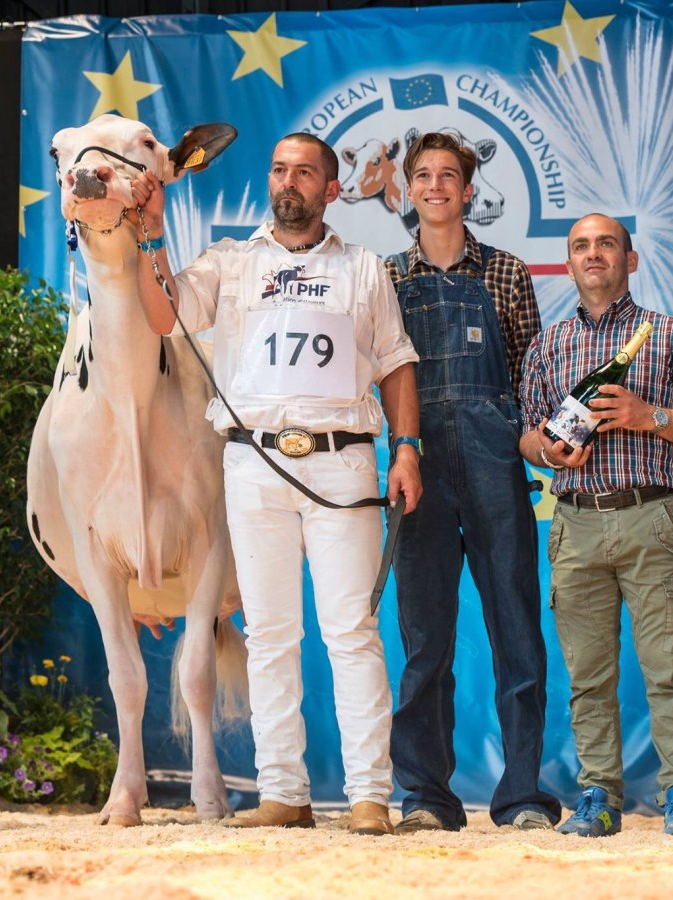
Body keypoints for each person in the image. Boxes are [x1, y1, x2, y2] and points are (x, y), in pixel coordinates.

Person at [131, 133, 422, 835]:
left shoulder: (363, 269)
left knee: (350, 631)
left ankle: (368, 798)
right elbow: (166, 315)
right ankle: (283, 793)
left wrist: (407, 450)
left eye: (305, 173)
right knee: (269, 633)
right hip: (253, 461)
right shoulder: (229, 261)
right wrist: (150, 241)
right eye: (279, 169)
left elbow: (395, 362)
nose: (288, 182)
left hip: (343, 459)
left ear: (330, 189)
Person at [382, 131, 560, 833]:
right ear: (409, 187)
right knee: (425, 638)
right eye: (422, 175)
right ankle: (426, 795)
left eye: (447, 175)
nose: (435, 186)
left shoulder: (508, 273)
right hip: (415, 461)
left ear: (467, 188)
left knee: (517, 630)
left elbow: (529, 378)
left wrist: (532, 440)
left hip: (494, 463)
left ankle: (520, 797)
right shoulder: (387, 276)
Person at [519, 213, 673, 837]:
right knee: (588, 674)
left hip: (653, 516)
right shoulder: (547, 347)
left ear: (630, 260)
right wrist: (550, 452)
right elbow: (527, 434)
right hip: (575, 520)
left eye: (607, 243)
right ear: (569, 263)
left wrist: (647, 415)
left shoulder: (671, 336)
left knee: (667, 667)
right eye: (581, 246)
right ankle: (598, 796)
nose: (593, 253)